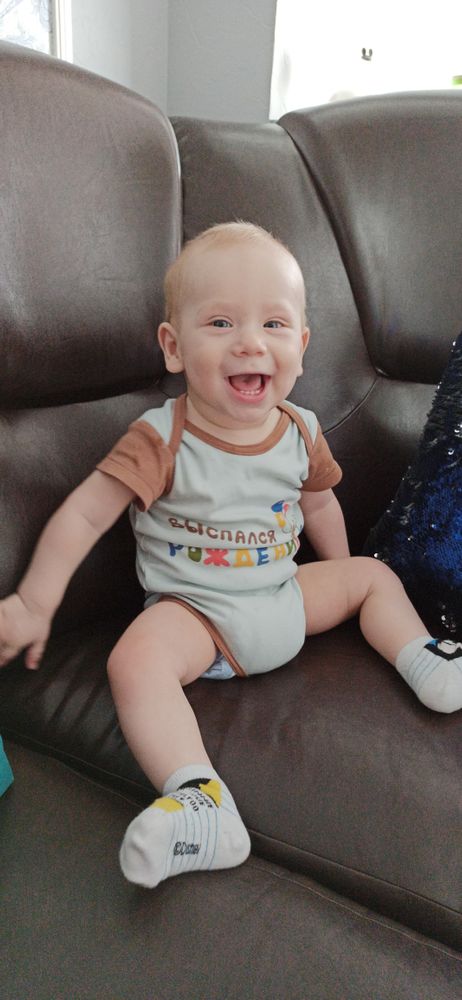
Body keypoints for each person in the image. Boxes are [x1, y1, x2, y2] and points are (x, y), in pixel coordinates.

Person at [1, 222, 461, 889]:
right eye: (221, 323)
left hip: (284, 599)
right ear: (174, 347)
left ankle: (424, 660)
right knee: (134, 659)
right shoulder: (160, 438)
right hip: (198, 619)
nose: (250, 342)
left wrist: (337, 574)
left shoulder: (301, 429)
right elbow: (85, 514)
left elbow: (319, 507)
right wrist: (33, 601)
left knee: (372, 575)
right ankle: (201, 803)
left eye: (274, 324)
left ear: (301, 347)